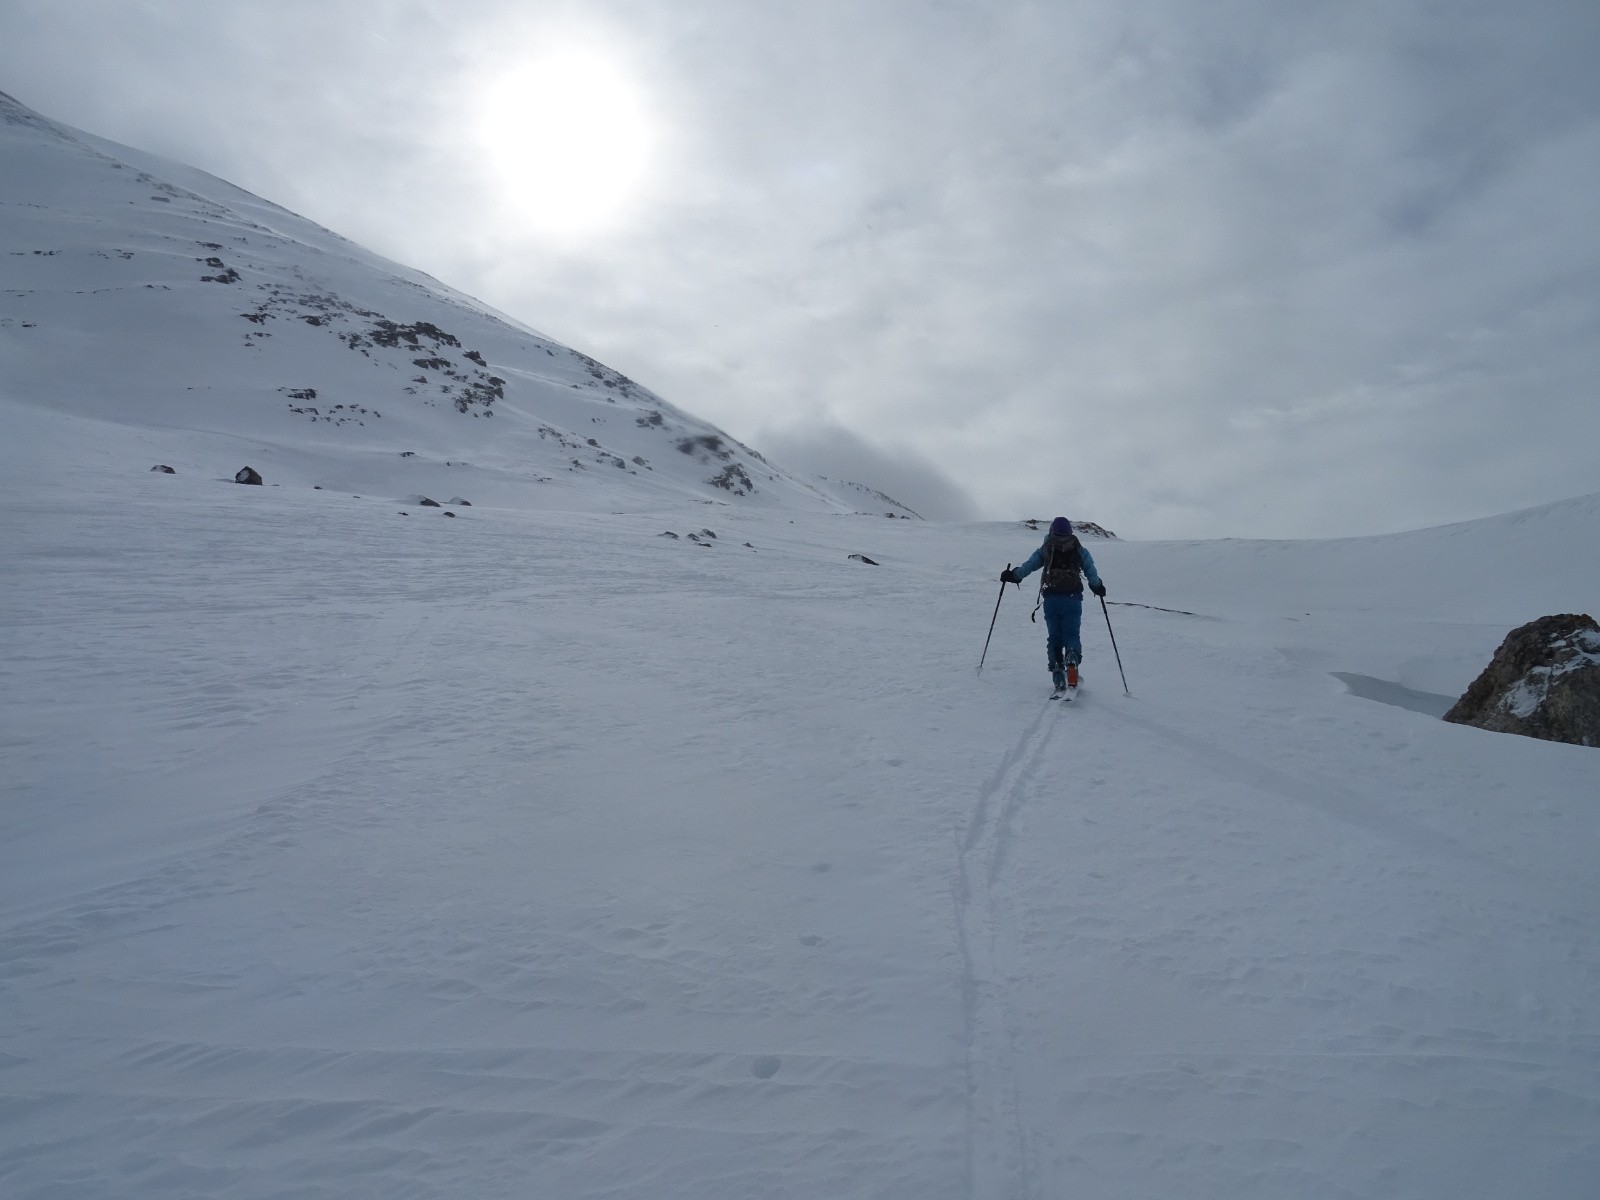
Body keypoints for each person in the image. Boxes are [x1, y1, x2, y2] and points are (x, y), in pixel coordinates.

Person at [1001, 517, 1106, 693]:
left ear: (1051, 531)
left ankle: (1058, 673)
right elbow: (1091, 572)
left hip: (1051, 598)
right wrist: (1097, 586)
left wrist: (1013, 576)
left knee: (1054, 636)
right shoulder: (1079, 548)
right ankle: (1072, 659)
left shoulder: (1046, 548)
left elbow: (1029, 566)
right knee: (1072, 634)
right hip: (1073, 598)